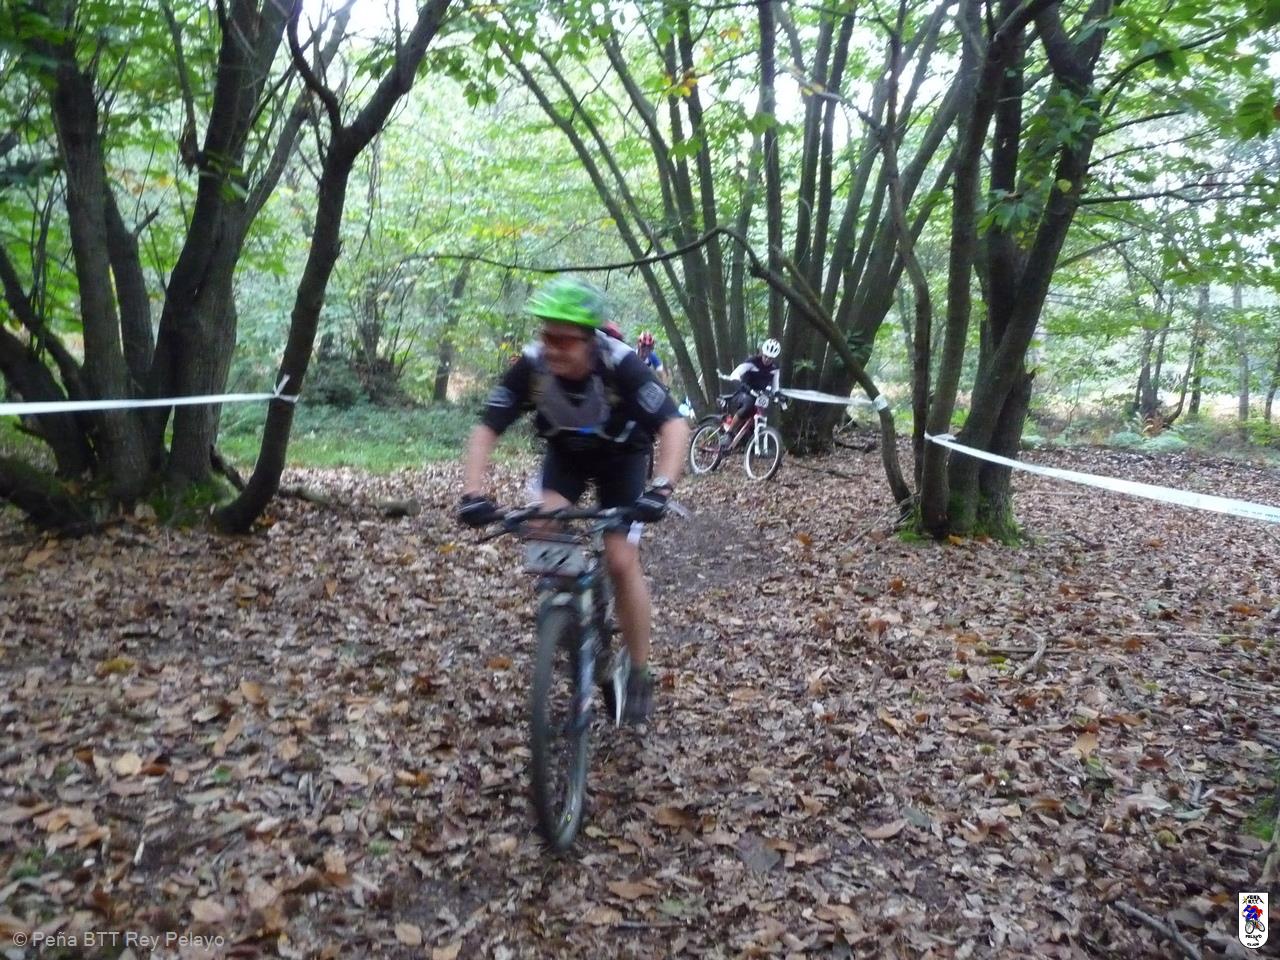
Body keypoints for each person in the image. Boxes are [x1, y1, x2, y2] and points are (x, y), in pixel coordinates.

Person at [458, 277, 690, 725]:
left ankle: (639, 670)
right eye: (547, 336)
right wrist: (472, 493)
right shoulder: (532, 365)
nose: (553, 348)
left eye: (564, 340)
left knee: (620, 559)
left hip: (623, 457)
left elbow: (674, 425)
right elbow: (487, 427)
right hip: (566, 454)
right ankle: (570, 619)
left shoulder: (620, 363)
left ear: (590, 339)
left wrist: (662, 487)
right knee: (543, 524)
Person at [720, 337, 782, 446]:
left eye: (770, 358)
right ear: (762, 353)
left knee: (761, 413)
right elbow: (735, 374)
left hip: (758, 395)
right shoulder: (752, 362)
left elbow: (775, 387)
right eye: (765, 356)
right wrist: (741, 384)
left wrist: (779, 396)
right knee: (748, 405)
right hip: (743, 392)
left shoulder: (775, 368)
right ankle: (729, 433)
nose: (767, 360)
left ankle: (751, 440)